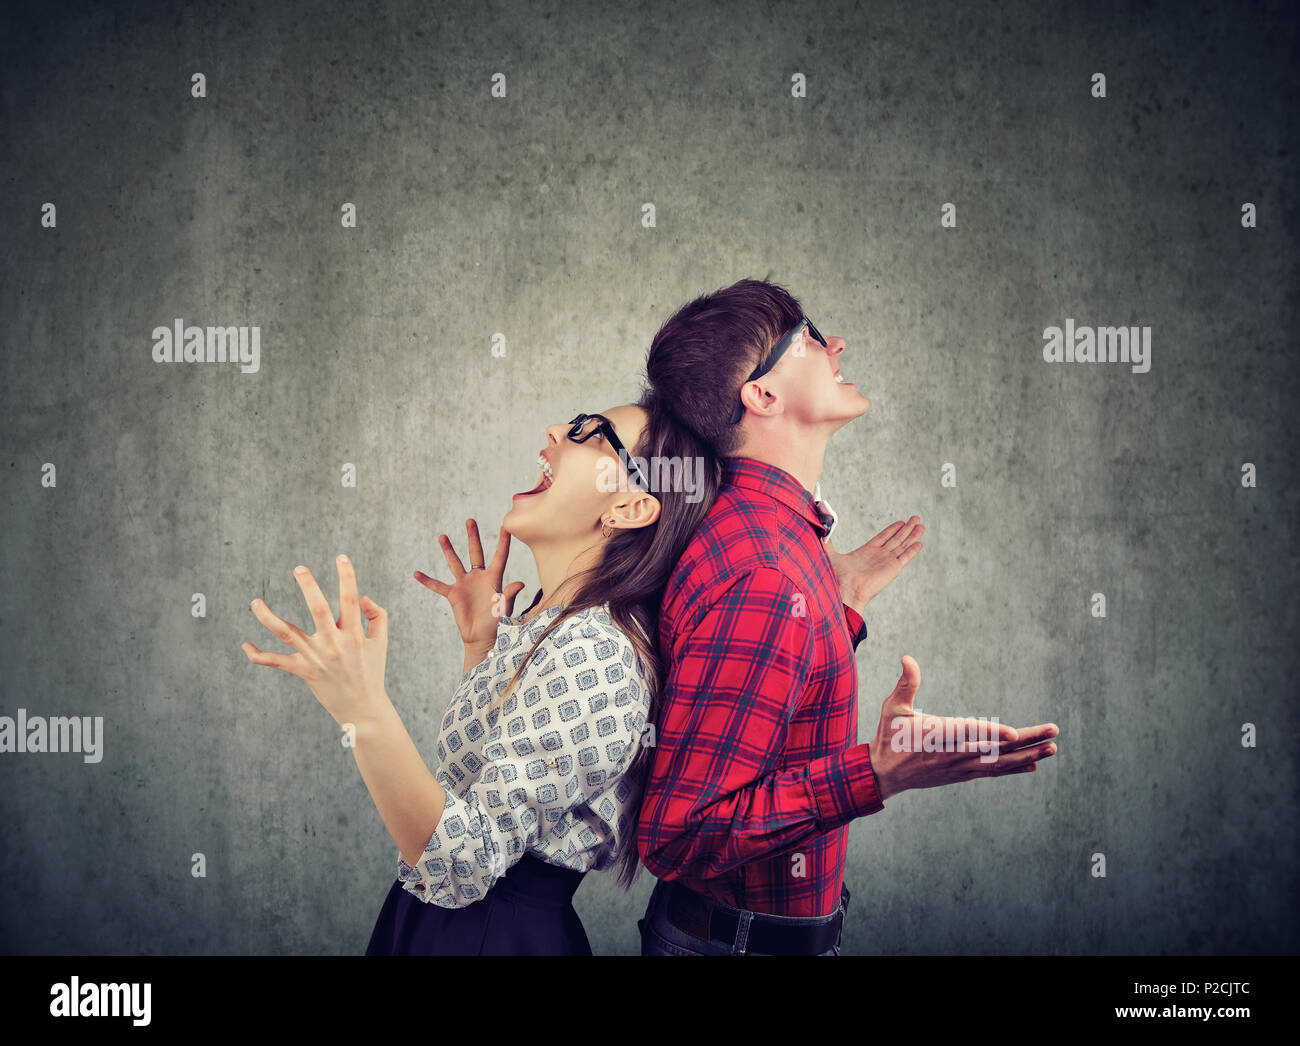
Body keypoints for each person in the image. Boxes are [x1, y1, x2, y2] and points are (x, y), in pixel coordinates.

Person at [635, 278, 1061, 955]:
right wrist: (877, 773)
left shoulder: (781, 538)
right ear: (763, 395)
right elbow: (680, 836)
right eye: (808, 336)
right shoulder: (768, 571)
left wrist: (843, 609)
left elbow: (769, 702)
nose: (836, 345)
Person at [243, 402, 719, 954]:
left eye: (590, 433)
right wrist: (481, 647)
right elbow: (472, 791)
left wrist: (363, 710)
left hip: (490, 936)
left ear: (631, 507)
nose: (556, 429)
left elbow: (462, 864)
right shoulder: (553, 624)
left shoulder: (598, 655)